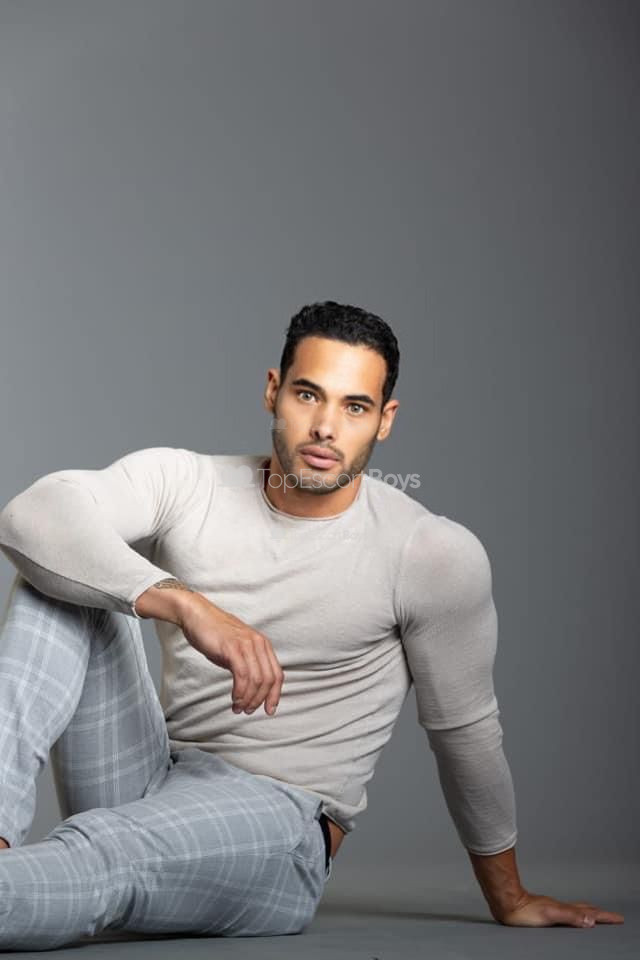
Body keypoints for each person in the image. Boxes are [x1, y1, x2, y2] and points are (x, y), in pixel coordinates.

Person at [0, 300, 623, 949]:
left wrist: (510, 896)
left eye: (355, 407)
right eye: (308, 395)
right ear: (274, 390)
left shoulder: (429, 553)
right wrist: (185, 602)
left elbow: (465, 735)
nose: (326, 427)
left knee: (105, 850)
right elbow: (31, 517)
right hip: (151, 777)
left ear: (385, 420)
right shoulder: (188, 483)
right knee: (58, 574)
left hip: (280, 823)